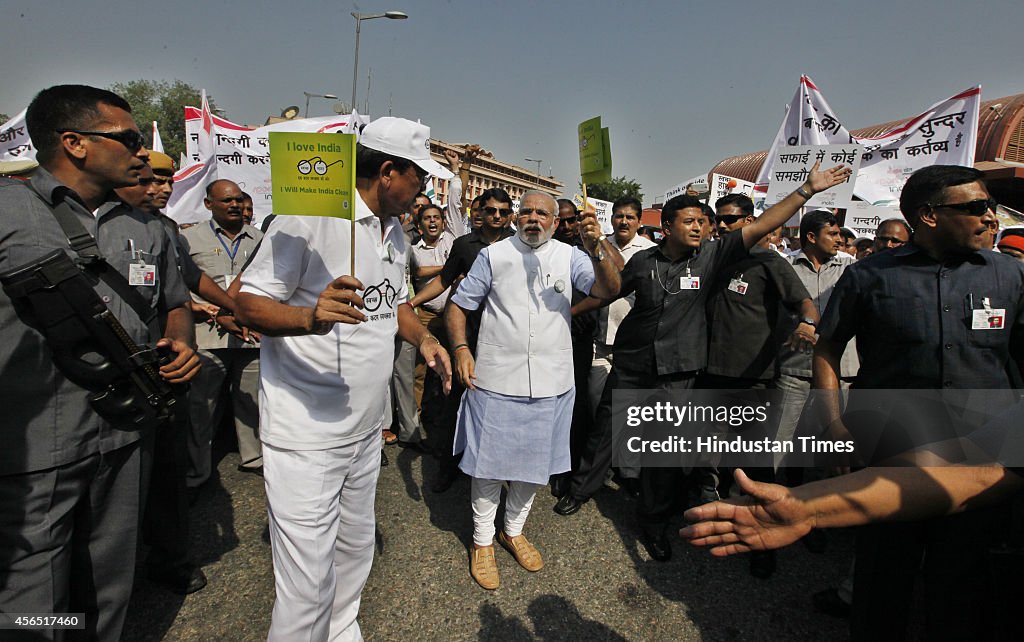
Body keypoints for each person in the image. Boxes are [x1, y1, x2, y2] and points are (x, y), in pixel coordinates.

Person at [552, 163, 852, 566]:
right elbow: (608, 289)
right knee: (605, 432)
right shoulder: (643, 262)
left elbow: (761, 225)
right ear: (668, 226)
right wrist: (580, 279)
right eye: (690, 221)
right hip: (633, 365)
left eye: (703, 222)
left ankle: (653, 522)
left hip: (679, 373)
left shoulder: (712, 256)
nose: (700, 227)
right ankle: (581, 490)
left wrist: (806, 190)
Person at [234, 116, 452, 640]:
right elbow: (247, 301)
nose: (425, 189)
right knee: (305, 579)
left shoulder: (395, 232)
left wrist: (424, 340)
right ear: (389, 173)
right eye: (419, 177)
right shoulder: (307, 217)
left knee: (355, 547)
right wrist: (310, 317)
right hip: (307, 434)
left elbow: (393, 304)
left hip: (364, 431)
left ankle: (341, 626)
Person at [0, 84, 199, 639]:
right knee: (32, 594)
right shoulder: (7, 209)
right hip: (35, 447)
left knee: (110, 582)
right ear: (74, 143)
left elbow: (175, 303)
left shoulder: (150, 228)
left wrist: (182, 342)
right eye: (129, 139)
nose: (141, 153)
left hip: (126, 434)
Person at [813, 165, 1024, 640]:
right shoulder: (868, 277)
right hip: (891, 451)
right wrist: (832, 427)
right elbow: (826, 348)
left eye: (988, 206)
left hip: (980, 457)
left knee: (962, 584)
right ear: (929, 215)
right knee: (883, 578)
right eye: (975, 207)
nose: (990, 217)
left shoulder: (1011, 276)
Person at [446, 190, 621, 590]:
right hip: (495, 378)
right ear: (515, 217)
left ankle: (513, 529)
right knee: (487, 466)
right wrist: (459, 348)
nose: (533, 218)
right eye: (525, 211)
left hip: (551, 381)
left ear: (556, 222)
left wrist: (597, 248)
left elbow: (607, 289)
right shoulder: (493, 256)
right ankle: (483, 540)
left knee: (534, 465)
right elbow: (458, 305)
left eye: (543, 213)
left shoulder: (571, 255)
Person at [701, 193, 818, 578]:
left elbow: (806, 304)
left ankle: (764, 539)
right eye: (718, 218)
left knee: (755, 464)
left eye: (731, 219)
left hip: (753, 382)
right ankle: (711, 517)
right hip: (708, 376)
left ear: (752, 220)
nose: (722, 225)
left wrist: (807, 324)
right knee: (705, 454)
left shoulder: (771, 263)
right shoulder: (713, 259)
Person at [409, 186, 516, 492]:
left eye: (503, 211)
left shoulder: (520, 245)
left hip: (507, 342)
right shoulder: (465, 245)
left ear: (510, 215)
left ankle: (502, 469)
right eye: (491, 210)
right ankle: (449, 466)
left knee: (503, 408)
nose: (496, 216)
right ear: (480, 213)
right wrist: (412, 303)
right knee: (455, 404)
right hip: (467, 338)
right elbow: (443, 281)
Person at [181, 179, 265, 480]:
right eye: (226, 201)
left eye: (238, 200)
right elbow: (184, 286)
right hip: (207, 334)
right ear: (208, 204)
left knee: (251, 400)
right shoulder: (188, 239)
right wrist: (216, 313)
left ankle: (254, 458)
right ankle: (197, 471)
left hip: (250, 336)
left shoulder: (260, 239)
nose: (234, 205)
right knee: (201, 407)